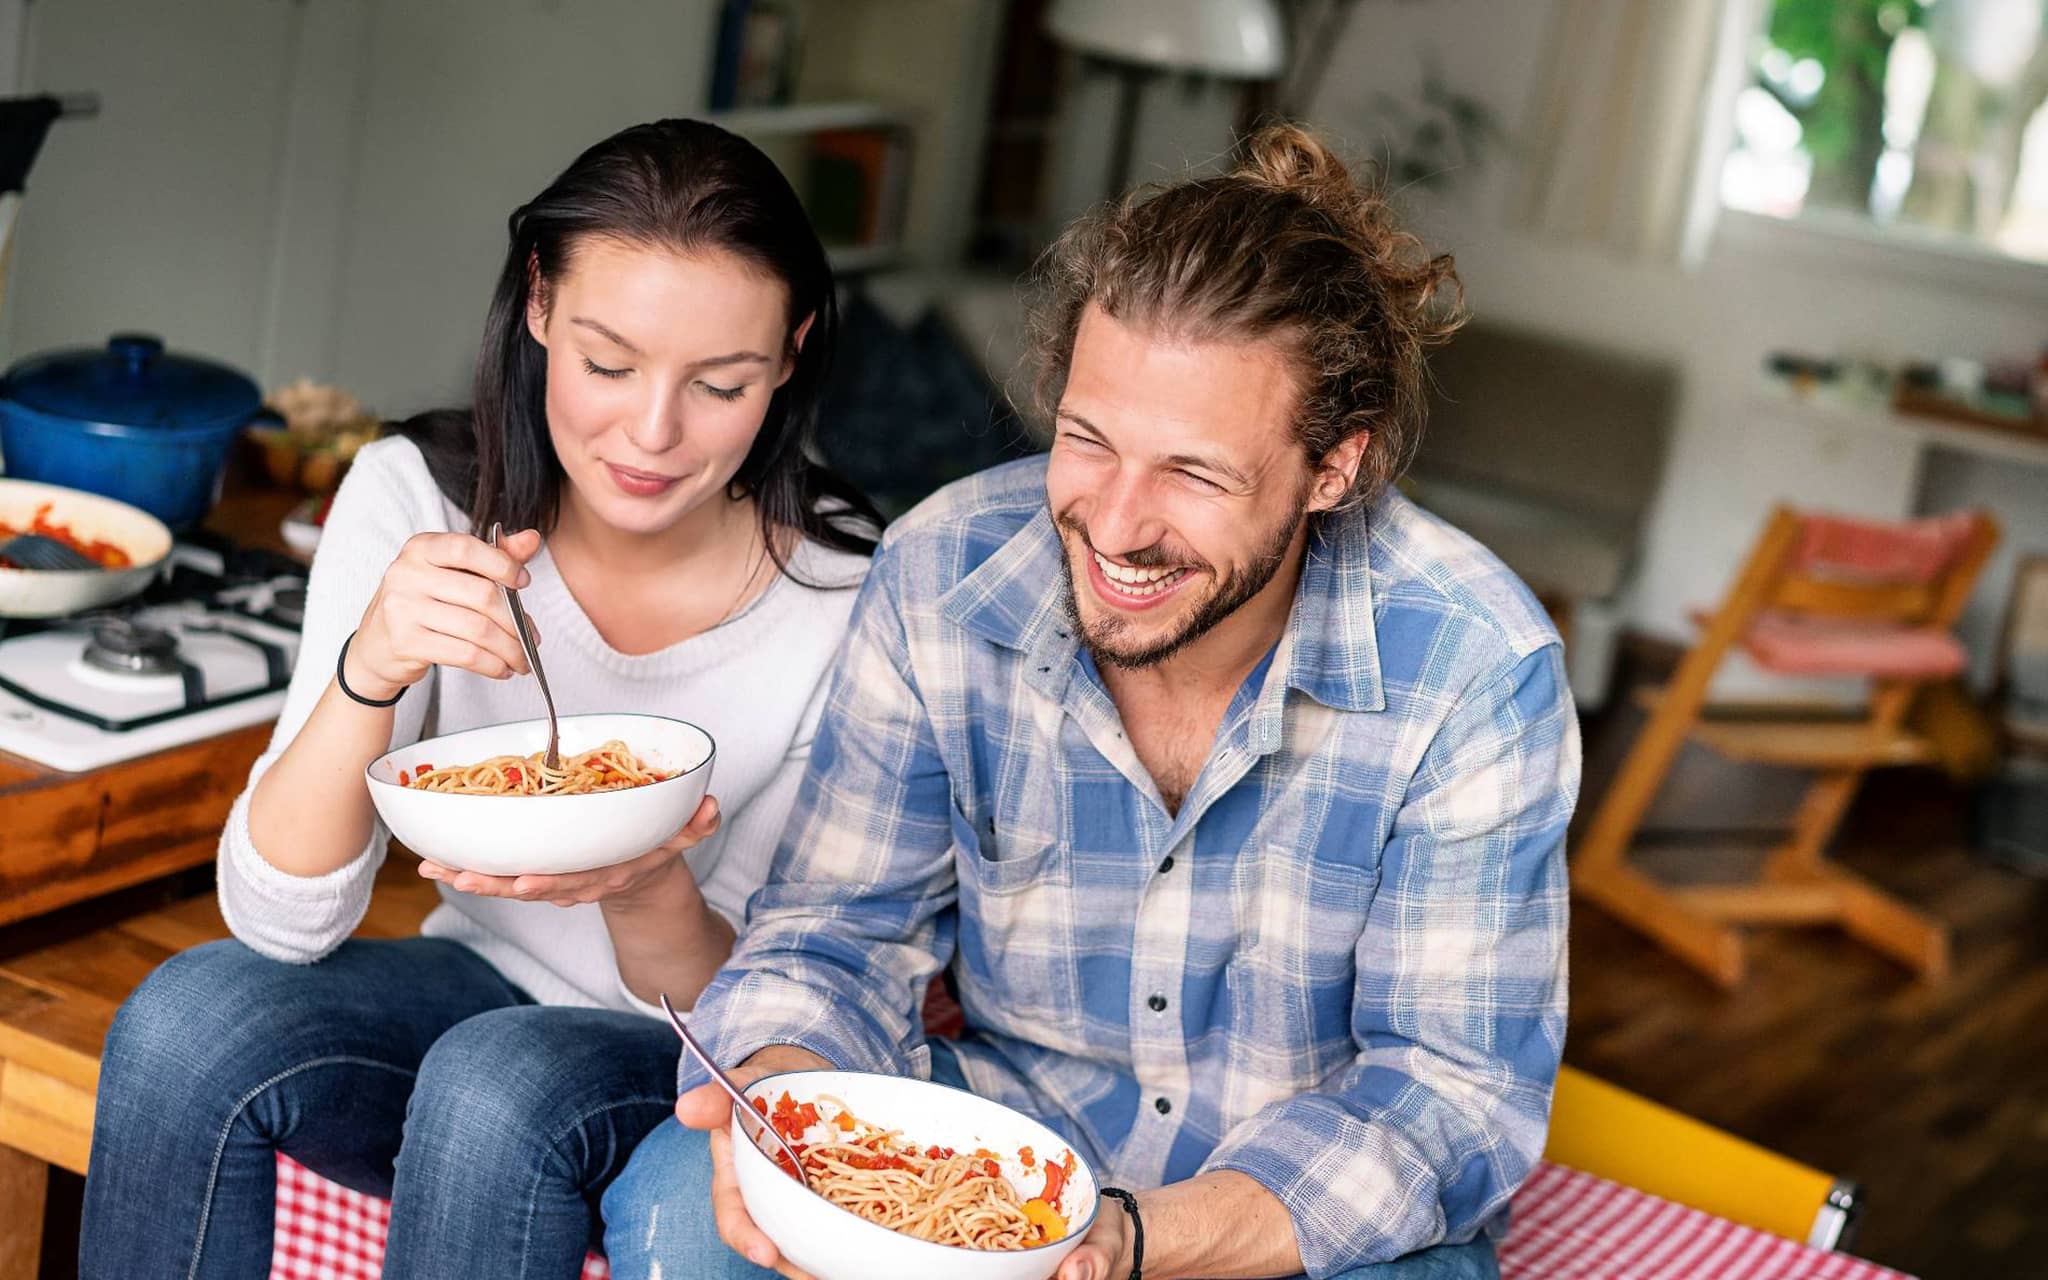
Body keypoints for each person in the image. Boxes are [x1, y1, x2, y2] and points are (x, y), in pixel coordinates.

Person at [602, 124, 1578, 1280]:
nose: (1113, 526)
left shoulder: (1473, 664)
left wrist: (1129, 1235)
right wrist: (782, 1089)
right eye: (1087, 440)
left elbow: (1449, 1096)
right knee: (682, 1196)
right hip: (1015, 1130)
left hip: (1293, 1217)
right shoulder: (940, 571)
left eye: (1193, 472)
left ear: (1334, 469)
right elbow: (837, 929)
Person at [80, 118, 879, 1279]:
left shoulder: (845, 596)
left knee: (496, 1078)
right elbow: (280, 919)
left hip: (686, 1043)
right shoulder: (419, 495)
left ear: (792, 352)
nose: (652, 432)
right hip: (470, 981)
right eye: (609, 364)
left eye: (719, 384)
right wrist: (370, 666)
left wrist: (645, 878)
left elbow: (766, 1010)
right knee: (183, 1019)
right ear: (540, 303)